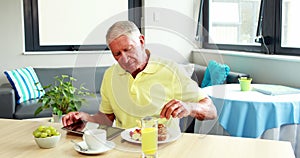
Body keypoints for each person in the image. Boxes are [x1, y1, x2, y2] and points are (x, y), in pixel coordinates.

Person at [62, 21, 217, 130]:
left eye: (128, 49)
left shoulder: (170, 70)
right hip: (124, 146)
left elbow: (211, 110)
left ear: (141, 41)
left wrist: (189, 107)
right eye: (117, 54)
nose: (124, 58)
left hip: (163, 146)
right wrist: (85, 118)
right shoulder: (110, 75)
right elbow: (106, 119)